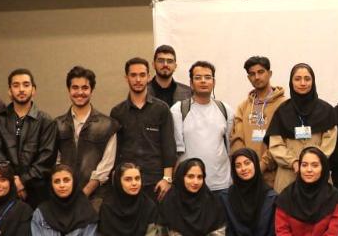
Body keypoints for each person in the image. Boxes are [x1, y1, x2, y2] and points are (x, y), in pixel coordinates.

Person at [111, 57, 177, 201]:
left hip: (156, 183)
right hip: (127, 182)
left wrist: (167, 179)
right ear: (126, 78)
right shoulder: (117, 112)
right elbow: (115, 150)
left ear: (148, 77)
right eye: (133, 75)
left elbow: (168, 146)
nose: (138, 79)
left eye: (142, 75)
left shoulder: (161, 109)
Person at [267, 64, 338, 193]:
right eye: (297, 79)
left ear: (313, 81)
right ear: (291, 82)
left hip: (317, 172)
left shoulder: (326, 110)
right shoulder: (282, 111)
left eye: (307, 79)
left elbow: (329, 141)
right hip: (288, 174)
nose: (303, 83)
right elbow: (275, 144)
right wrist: (294, 162)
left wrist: (312, 163)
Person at [0, 68, 57, 208]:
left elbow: (47, 158)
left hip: (38, 191)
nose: (21, 89)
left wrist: (22, 181)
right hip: (6, 187)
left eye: (26, 85)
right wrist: (12, 180)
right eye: (16, 85)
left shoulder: (46, 121)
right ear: (9, 91)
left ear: (33, 90)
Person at [54, 66, 119, 206]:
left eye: (85, 88)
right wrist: (65, 190)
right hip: (63, 198)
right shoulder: (57, 125)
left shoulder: (108, 125)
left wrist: (84, 193)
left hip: (97, 199)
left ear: (91, 90)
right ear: (68, 90)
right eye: (75, 87)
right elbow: (56, 161)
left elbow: (106, 165)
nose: (80, 92)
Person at [171, 61, 234, 192]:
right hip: (189, 185)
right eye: (198, 78)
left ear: (214, 82)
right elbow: (174, 150)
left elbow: (230, 147)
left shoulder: (225, 110)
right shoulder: (178, 110)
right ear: (191, 83)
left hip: (221, 184)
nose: (203, 81)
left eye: (208, 77)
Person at [230, 56, 286, 188]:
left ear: (269, 73)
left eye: (261, 72)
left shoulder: (284, 105)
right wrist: (245, 165)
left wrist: (262, 165)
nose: (257, 77)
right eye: (252, 74)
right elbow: (237, 138)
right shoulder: (243, 107)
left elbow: (283, 140)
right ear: (248, 78)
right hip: (246, 175)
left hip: (274, 176)